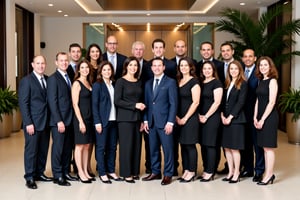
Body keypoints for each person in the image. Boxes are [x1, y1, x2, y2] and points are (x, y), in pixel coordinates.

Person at [142, 57, 178, 186]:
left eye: (159, 65)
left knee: (168, 149)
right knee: (153, 149)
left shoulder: (170, 82)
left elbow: (173, 104)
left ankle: (168, 174)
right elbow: (147, 103)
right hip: (151, 123)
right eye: (154, 65)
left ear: (164, 67)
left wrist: (170, 122)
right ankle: (155, 172)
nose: (156, 68)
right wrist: (145, 120)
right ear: (151, 68)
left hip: (165, 123)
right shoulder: (147, 83)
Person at [18, 55, 52, 189]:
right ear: (32, 65)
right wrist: (28, 123)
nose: (40, 66)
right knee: (31, 151)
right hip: (33, 122)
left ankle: (39, 172)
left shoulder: (48, 79)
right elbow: (23, 103)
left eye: (43, 63)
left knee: (43, 149)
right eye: (38, 63)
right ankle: (30, 177)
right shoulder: (26, 81)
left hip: (46, 121)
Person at [47, 52, 78, 186]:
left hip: (69, 119)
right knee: (58, 148)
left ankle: (66, 171)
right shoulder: (53, 79)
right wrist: (58, 120)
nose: (64, 63)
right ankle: (57, 175)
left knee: (67, 148)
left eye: (66, 60)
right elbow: (52, 102)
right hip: (59, 121)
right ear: (56, 62)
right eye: (61, 60)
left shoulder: (68, 77)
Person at [114, 57, 146, 183]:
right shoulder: (120, 81)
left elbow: (142, 100)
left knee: (137, 146)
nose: (133, 67)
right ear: (126, 66)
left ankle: (134, 171)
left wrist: (143, 120)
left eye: (135, 65)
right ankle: (126, 173)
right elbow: (117, 101)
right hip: (125, 119)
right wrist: (134, 106)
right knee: (126, 146)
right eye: (131, 65)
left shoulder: (139, 81)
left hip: (137, 118)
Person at [92, 61, 121, 184]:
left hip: (114, 121)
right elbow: (94, 105)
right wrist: (97, 122)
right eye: (104, 70)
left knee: (112, 147)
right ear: (100, 72)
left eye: (109, 70)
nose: (107, 72)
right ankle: (102, 172)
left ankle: (111, 170)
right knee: (101, 147)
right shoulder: (97, 85)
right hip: (103, 122)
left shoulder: (114, 84)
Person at [220, 60, 247, 184]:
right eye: (231, 69)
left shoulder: (243, 83)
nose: (233, 71)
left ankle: (237, 172)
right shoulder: (227, 83)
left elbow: (240, 102)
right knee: (227, 148)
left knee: (235, 149)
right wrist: (222, 115)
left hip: (236, 120)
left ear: (240, 70)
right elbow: (223, 102)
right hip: (225, 119)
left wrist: (230, 117)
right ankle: (230, 172)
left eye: (236, 69)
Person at [240, 49, 265, 182]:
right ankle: (248, 168)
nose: (248, 59)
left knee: (257, 144)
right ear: (242, 59)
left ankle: (259, 170)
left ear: (255, 58)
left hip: (255, 114)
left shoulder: (260, 72)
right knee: (246, 143)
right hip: (242, 114)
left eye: (250, 56)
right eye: (245, 56)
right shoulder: (239, 71)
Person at [254, 56, 278, 185]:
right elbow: (258, 100)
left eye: (265, 65)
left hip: (269, 118)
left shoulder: (272, 81)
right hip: (260, 117)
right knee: (264, 147)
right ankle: (268, 174)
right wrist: (255, 117)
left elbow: (272, 102)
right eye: (261, 65)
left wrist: (262, 118)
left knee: (269, 148)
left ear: (270, 67)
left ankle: (269, 175)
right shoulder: (261, 80)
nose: (263, 67)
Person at [176, 57, 200, 183]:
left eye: (186, 65)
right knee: (183, 145)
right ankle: (185, 170)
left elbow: (196, 102)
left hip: (189, 118)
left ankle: (192, 171)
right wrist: (177, 117)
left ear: (191, 67)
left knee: (190, 145)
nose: (183, 67)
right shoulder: (178, 80)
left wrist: (185, 118)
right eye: (181, 65)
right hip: (179, 118)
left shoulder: (194, 81)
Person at [198, 61, 223, 182]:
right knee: (203, 145)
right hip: (201, 117)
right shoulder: (201, 83)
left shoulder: (217, 83)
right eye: (204, 68)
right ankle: (205, 169)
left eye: (209, 68)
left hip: (212, 117)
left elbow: (217, 102)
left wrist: (206, 116)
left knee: (211, 145)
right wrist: (199, 115)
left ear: (213, 70)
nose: (207, 70)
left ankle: (210, 171)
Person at [71, 59, 95, 184]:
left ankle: (85, 170)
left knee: (87, 146)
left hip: (90, 118)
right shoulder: (77, 83)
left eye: (87, 67)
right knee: (80, 146)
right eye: (82, 67)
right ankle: (80, 172)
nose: (85, 69)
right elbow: (75, 104)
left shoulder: (89, 82)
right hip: (81, 119)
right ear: (78, 69)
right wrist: (81, 121)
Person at [131, 41, 151, 174]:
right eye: (136, 49)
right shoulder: (128, 65)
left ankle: (150, 168)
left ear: (144, 51)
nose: (138, 52)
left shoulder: (151, 66)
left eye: (140, 50)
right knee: (133, 143)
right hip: (133, 111)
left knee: (149, 143)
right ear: (132, 51)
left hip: (149, 108)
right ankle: (132, 169)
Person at [67, 43, 82, 175]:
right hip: (68, 111)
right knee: (69, 142)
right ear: (69, 53)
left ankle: (78, 168)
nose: (76, 54)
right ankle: (67, 168)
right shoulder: (65, 68)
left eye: (78, 51)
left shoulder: (83, 68)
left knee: (79, 141)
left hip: (81, 111)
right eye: (73, 51)